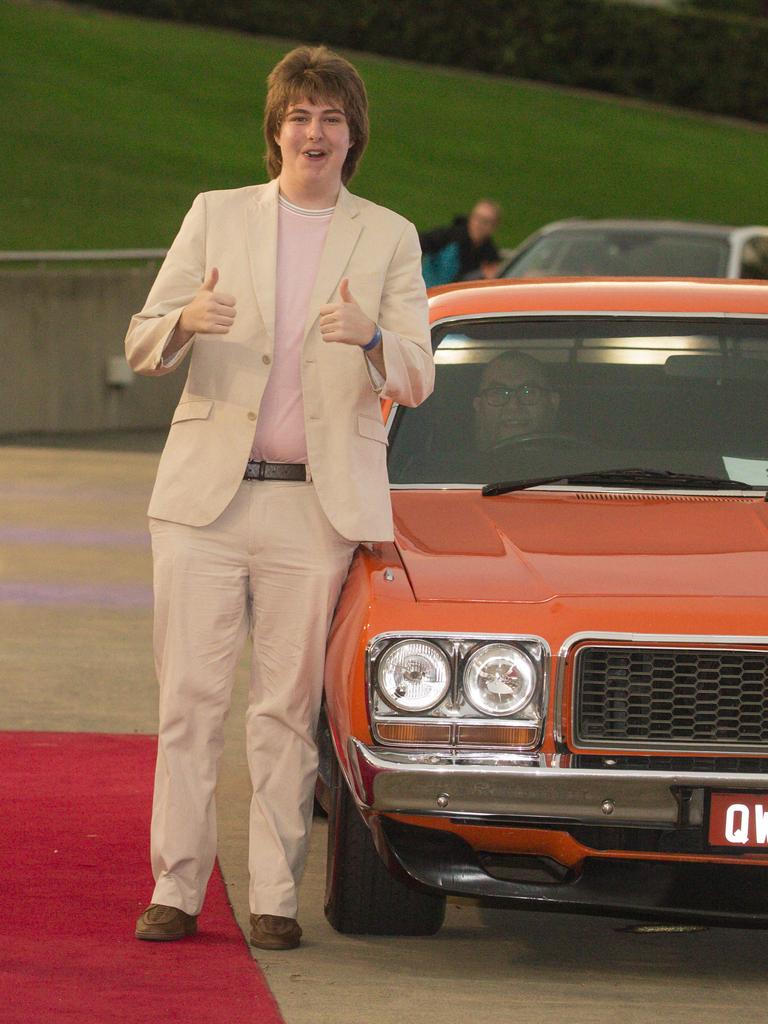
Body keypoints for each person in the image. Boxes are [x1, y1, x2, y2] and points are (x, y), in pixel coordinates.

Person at [125, 45, 434, 950]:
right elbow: (143, 343)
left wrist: (372, 336)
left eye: (331, 118)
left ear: (353, 138)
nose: (314, 131)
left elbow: (417, 373)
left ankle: (272, 898)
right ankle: (175, 890)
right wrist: (185, 319)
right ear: (276, 131)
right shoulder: (215, 216)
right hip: (204, 507)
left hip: (315, 509)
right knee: (189, 700)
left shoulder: (389, 236)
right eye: (299, 116)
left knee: (287, 710)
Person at [473, 351, 559, 451]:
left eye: (528, 392)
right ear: (478, 405)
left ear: (553, 402)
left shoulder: (577, 462)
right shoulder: (457, 464)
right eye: (498, 393)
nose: (513, 406)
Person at [419, 199, 502, 287]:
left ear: (494, 227)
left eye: (485, 222)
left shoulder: (491, 256)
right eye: (477, 218)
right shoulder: (448, 236)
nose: (479, 225)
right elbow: (417, 244)